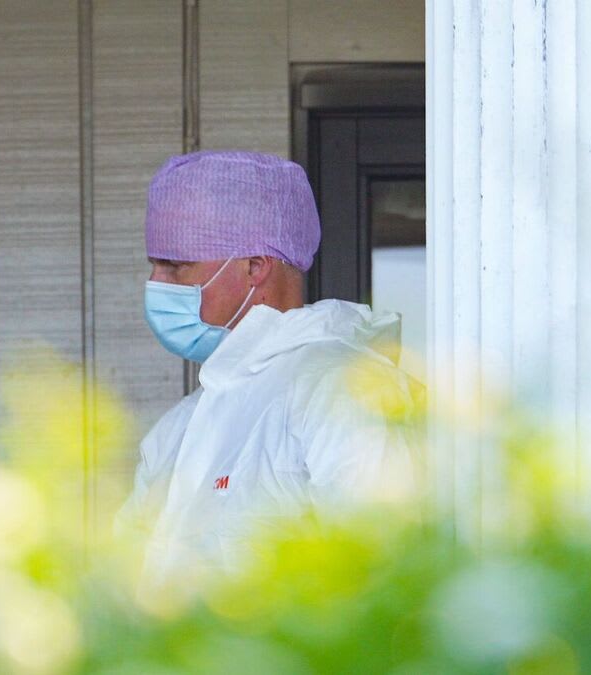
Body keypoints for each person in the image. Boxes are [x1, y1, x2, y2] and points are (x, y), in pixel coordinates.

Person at [116, 150, 422, 591]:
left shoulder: (344, 391)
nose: (155, 284)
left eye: (175, 266)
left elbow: (381, 575)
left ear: (255, 267)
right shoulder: (178, 429)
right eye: (154, 265)